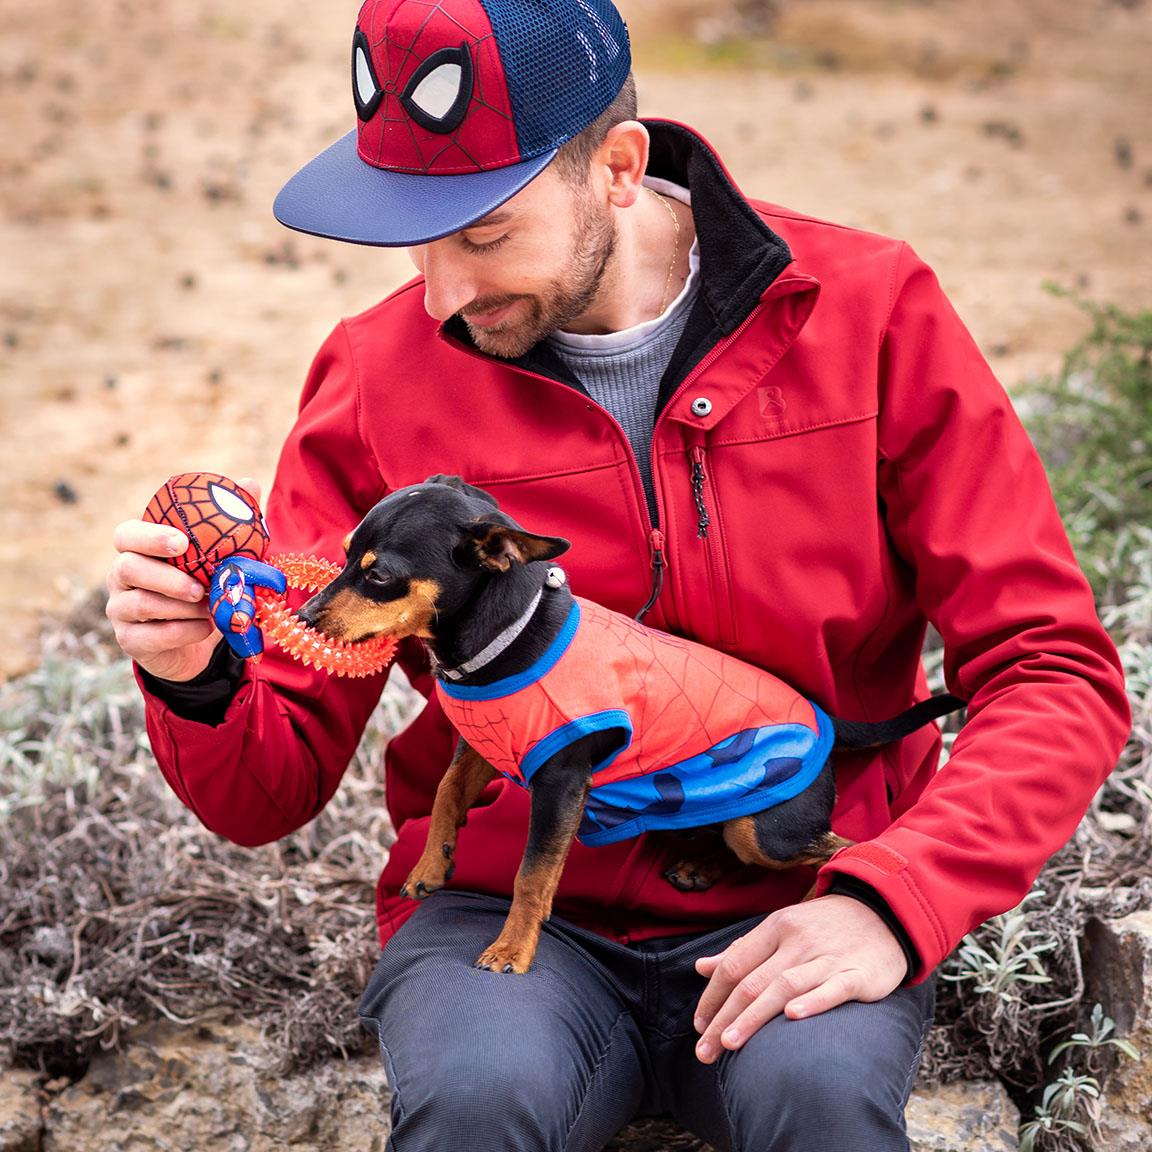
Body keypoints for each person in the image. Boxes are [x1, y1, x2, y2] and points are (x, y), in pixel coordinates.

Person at [106, 1, 1131, 1148]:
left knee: (822, 1105)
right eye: (417, 241)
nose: (441, 296)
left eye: (484, 235)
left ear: (619, 168)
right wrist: (194, 674)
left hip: (798, 895)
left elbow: (1052, 669)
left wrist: (894, 900)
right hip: (498, 915)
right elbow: (270, 786)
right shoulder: (374, 376)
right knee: (476, 1106)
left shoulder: (873, 312)